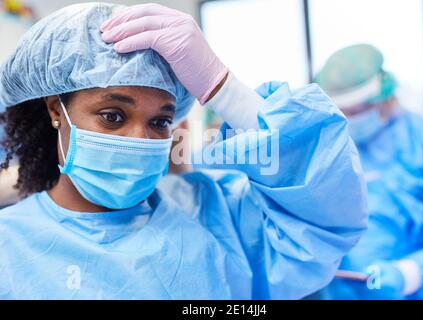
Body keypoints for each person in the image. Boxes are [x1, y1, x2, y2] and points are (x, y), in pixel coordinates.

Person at [0, 3, 367, 299]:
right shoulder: (9, 246)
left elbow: (328, 217)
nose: (141, 140)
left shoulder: (213, 213)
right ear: (55, 110)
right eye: (112, 116)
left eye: (160, 122)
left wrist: (224, 89)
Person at [316, 44, 423, 299]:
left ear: (385, 97)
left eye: (355, 112)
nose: (347, 119)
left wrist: (411, 273)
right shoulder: (327, 151)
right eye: (339, 112)